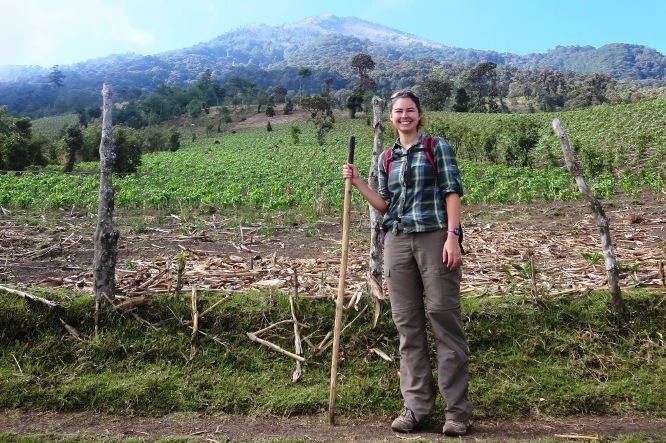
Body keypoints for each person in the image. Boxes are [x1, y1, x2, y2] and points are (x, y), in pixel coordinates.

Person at [342, 90, 472, 436]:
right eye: (398, 111)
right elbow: (385, 205)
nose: (404, 116)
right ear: (391, 117)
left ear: (419, 114)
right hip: (397, 242)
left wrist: (453, 235)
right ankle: (417, 408)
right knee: (407, 326)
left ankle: (457, 412)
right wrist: (356, 183)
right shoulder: (387, 158)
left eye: (410, 110)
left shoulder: (436, 146)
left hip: (434, 237)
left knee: (444, 318)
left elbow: (452, 191)